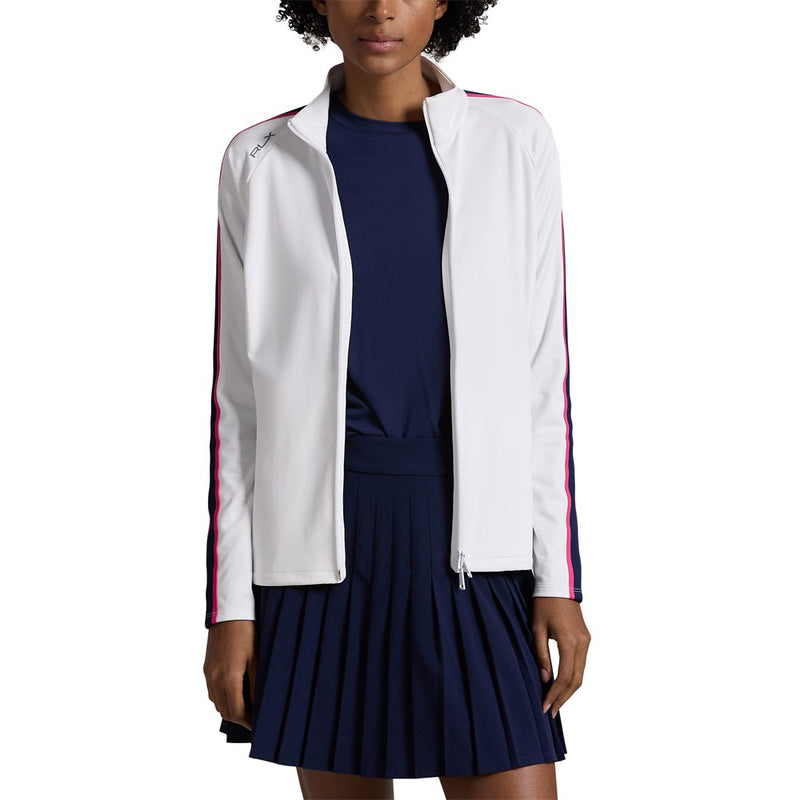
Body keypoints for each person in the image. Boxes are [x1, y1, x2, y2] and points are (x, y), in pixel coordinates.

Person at [202, 2, 591, 798]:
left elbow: (542, 379)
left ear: (446, 1)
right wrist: (230, 606)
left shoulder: (513, 140)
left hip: (476, 543)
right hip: (317, 549)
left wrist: (558, 579)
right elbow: (238, 409)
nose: (380, 8)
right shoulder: (261, 158)